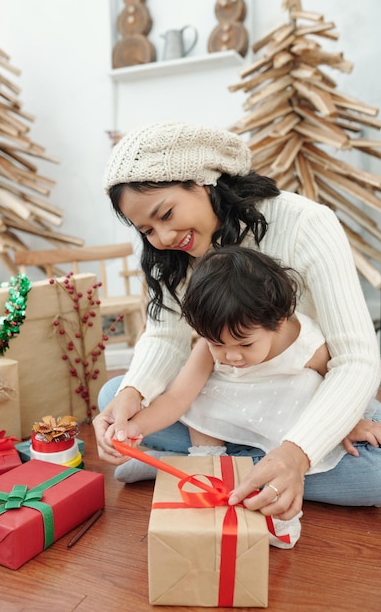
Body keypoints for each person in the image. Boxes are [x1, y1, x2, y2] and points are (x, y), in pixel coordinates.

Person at [93, 120, 381, 522]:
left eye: (166, 214)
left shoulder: (305, 223)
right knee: (113, 397)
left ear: (203, 180)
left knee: (375, 473)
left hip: (304, 391)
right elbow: (166, 337)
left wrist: (301, 447)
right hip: (233, 393)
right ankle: (253, 471)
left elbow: (355, 360)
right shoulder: (170, 257)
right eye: (147, 230)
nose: (162, 237)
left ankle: (184, 467)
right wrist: (131, 397)